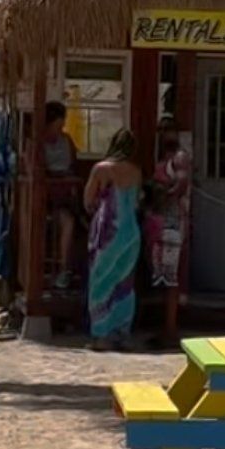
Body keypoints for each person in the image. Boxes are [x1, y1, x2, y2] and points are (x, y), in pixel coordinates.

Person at [84, 128, 143, 349]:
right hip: (131, 230)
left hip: (108, 230)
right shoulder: (136, 171)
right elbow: (136, 201)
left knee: (101, 280)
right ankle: (122, 332)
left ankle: (101, 335)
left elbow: (88, 200)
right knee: (125, 282)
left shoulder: (101, 169)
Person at [145, 117, 192, 290]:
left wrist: (161, 193)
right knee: (157, 267)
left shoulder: (179, 158)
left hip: (174, 216)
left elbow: (180, 185)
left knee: (173, 268)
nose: (166, 135)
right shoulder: (159, 158)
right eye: (163, 131)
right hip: (157, 218)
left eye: (170, 130)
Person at [42, 101, 79, 288]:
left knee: (73, 221)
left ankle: (68, 269)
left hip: (67, 193)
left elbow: (74, 163)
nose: (61, 127)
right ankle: (62, 269)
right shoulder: (38, 143)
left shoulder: (67, 141)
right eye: (58, 123)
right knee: (66, 222)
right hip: (47, 197)